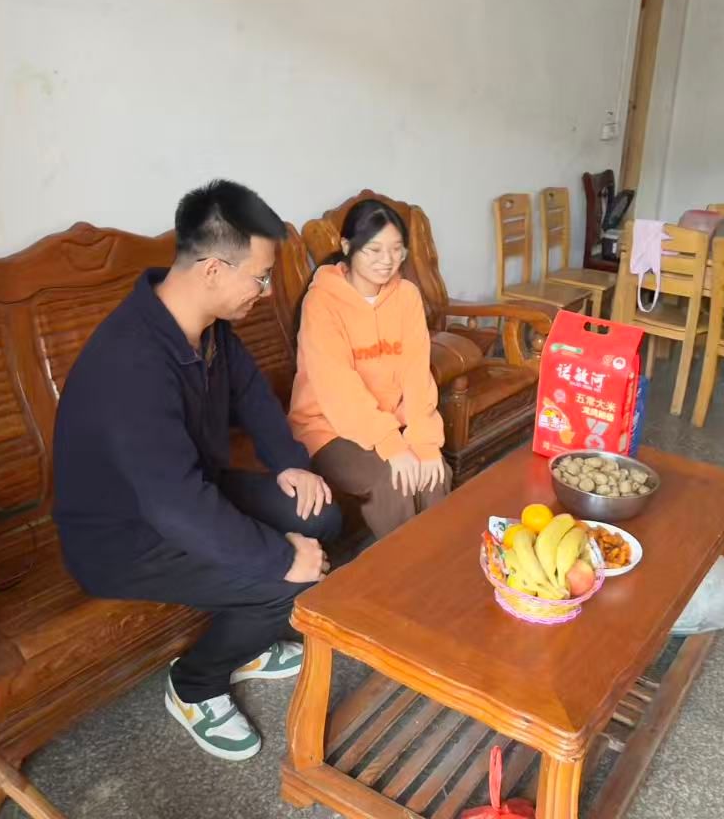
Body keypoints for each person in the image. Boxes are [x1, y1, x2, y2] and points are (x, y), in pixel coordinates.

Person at [52, 179, 342, 762]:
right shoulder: (130, 361)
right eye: (260, 277)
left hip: (188, 492)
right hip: (124, 539)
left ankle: (248, 639)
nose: (265, 291)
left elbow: (251, 394)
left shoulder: (207, 328)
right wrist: (278, 557)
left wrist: (290, 464)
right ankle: (195, 685)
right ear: (212, 270)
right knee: (291, 579)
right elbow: (175, 508)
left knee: (320, 514)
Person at [288, 199, 451, 537]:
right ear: (348, 247)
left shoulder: (406, 296)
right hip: (327, 427)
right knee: (393, 481)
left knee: (436, 473)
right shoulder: (321, 302)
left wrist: (424, 442)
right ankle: (404, 567)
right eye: (374, 249)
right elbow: (339, 390)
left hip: (389, 417)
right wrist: (391, 444)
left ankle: (438, 561)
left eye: (396, 249)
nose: (387, 260)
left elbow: (416, 374)